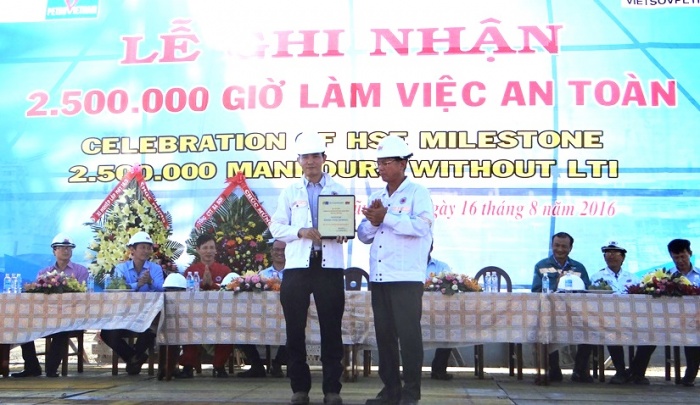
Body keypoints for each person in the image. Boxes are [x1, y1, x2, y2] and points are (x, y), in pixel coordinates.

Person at [269, 132, 348, 405]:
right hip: (297, 267)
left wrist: (343, 231)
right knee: (294, 330)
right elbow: (276, 226)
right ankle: (299, 389)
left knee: (331, 330)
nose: (311, 161)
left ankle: (332, 390)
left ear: (325, 158)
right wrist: (300, 231)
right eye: (306, 157)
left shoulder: (339, 189)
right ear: (299, 161)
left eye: (316, 156)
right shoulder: (290, 191)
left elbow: (345, 224)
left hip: (329, 267)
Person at [358, 135, 434, 405]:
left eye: (386, 162)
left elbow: (422, 227)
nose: (380, 167)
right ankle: (390, 390)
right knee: (384, 336)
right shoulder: (376, 196)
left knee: (409, 336)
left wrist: (386, 217)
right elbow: (363, 235)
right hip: (380, 277)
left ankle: (411, 393)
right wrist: (373, 221)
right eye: (378, 163)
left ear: (402, 164)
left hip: (405, 277)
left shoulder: (417, 193)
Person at [574, 241, 655, 384]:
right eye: (608, 252)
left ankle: (637, 372)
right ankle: (621, 372)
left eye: (616, 252)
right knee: (611, 330)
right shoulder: (597, 277)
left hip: (632, 320)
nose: (611, 255)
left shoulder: (633, 278)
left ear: (623, 257)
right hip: (606, 320)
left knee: (652, 336)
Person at [11, 233, 90, 378]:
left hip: (70, 316)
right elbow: (37, 297)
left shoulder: (81, 271)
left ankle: (51, 369)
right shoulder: (44, 272)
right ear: (54, 251)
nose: (66, 250)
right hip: (46, 316)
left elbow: (83, 295)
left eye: (69, 248)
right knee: (23, 327)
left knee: (62, 328)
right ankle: (32, 367)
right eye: (62, 248)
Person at [100, 231, 164, 375]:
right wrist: (137, 284)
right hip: (124, 314)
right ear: (132, 249)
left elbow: (162, 289)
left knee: (150, 330)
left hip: (147, 314)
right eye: (142, 247)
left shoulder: (155, 268)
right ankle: (134, 357)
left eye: (148, 247)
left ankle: (134, 360)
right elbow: (117, 288)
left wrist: (150, 282)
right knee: (106, 333)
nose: (146, 251)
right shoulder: (121, 268)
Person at [530, 232, 590, 383]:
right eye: (556, 245)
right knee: (545, 327)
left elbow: (588, 292)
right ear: (552, 246)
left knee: (592, 327)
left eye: (564, 246)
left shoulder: (579, 267)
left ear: (570, 248)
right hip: (551, 313)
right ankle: (553, 369)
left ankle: (580, 370)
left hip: (576, 314)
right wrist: (556, 285)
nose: (560, 249)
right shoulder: (541, 266)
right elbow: (536, 292)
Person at [177, 233, 235, 378]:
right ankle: (188, 366)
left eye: (211, 247)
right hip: (195, 315)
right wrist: (203, 284)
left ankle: (219, 366)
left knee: (229, 327)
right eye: (205, 248)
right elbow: (185, 293)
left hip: (221, 315)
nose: (208, 251)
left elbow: (231, 290)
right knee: (187, 327)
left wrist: (212, 285)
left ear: (216, 250)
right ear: (198, 250)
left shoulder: (224, 270)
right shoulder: (191, 271)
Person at [238, 239, 288, 379]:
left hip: (287, 315)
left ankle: (278, 363)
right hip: (262, 316)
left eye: (283, 250)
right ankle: (256, 365)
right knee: (238, 326)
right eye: (276, 249)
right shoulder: (261, 275)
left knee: (297, 328)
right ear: (271, 252)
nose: (280, 253)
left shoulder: (295, 273)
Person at [668, 239, 700, 387]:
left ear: (690, 254)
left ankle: (689, 376)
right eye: (676, 257)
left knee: (694, 334)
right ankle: (636, 373)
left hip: (696, 320)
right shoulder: (666, 277)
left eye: (683, 256)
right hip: (672, 320)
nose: (680, 261)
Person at [425, 243, 455, 381]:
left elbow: (452, 285)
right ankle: (409, 370)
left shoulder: (441, 266)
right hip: (411, 308)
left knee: (449, 328)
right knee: (403, 329)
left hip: (439, 311)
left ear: (431, 247)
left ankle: (439, 369)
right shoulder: (405, 266)